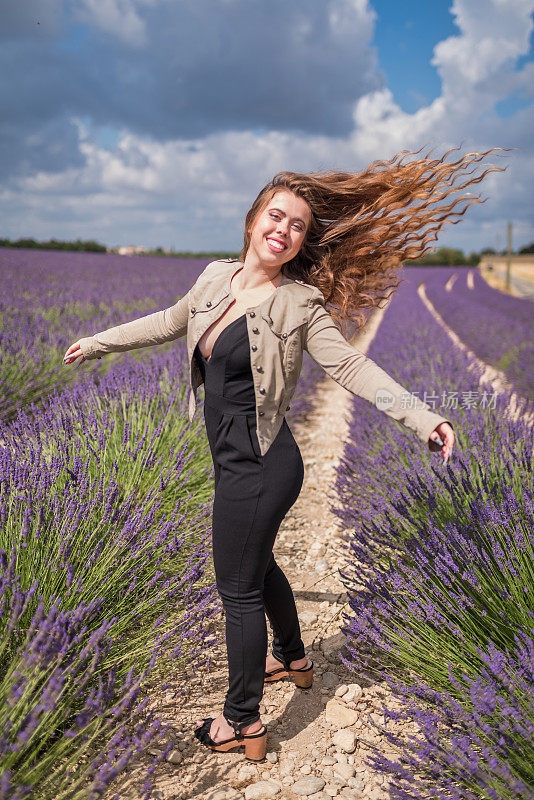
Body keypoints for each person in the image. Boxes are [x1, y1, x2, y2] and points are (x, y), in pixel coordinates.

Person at [64, 145, 504, 762]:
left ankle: (241, 719)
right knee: (255, 563)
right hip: (231, 459)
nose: (284, 230)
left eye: (297, 225)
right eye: (276, 216)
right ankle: (293, 655)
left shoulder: (299, 304)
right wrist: (98, 341)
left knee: (236, 588)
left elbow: (350, 365)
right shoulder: (215, 278)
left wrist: (423, 416)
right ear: (253, 220)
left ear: (302, 242)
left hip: (266, 465)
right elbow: (169, 320)